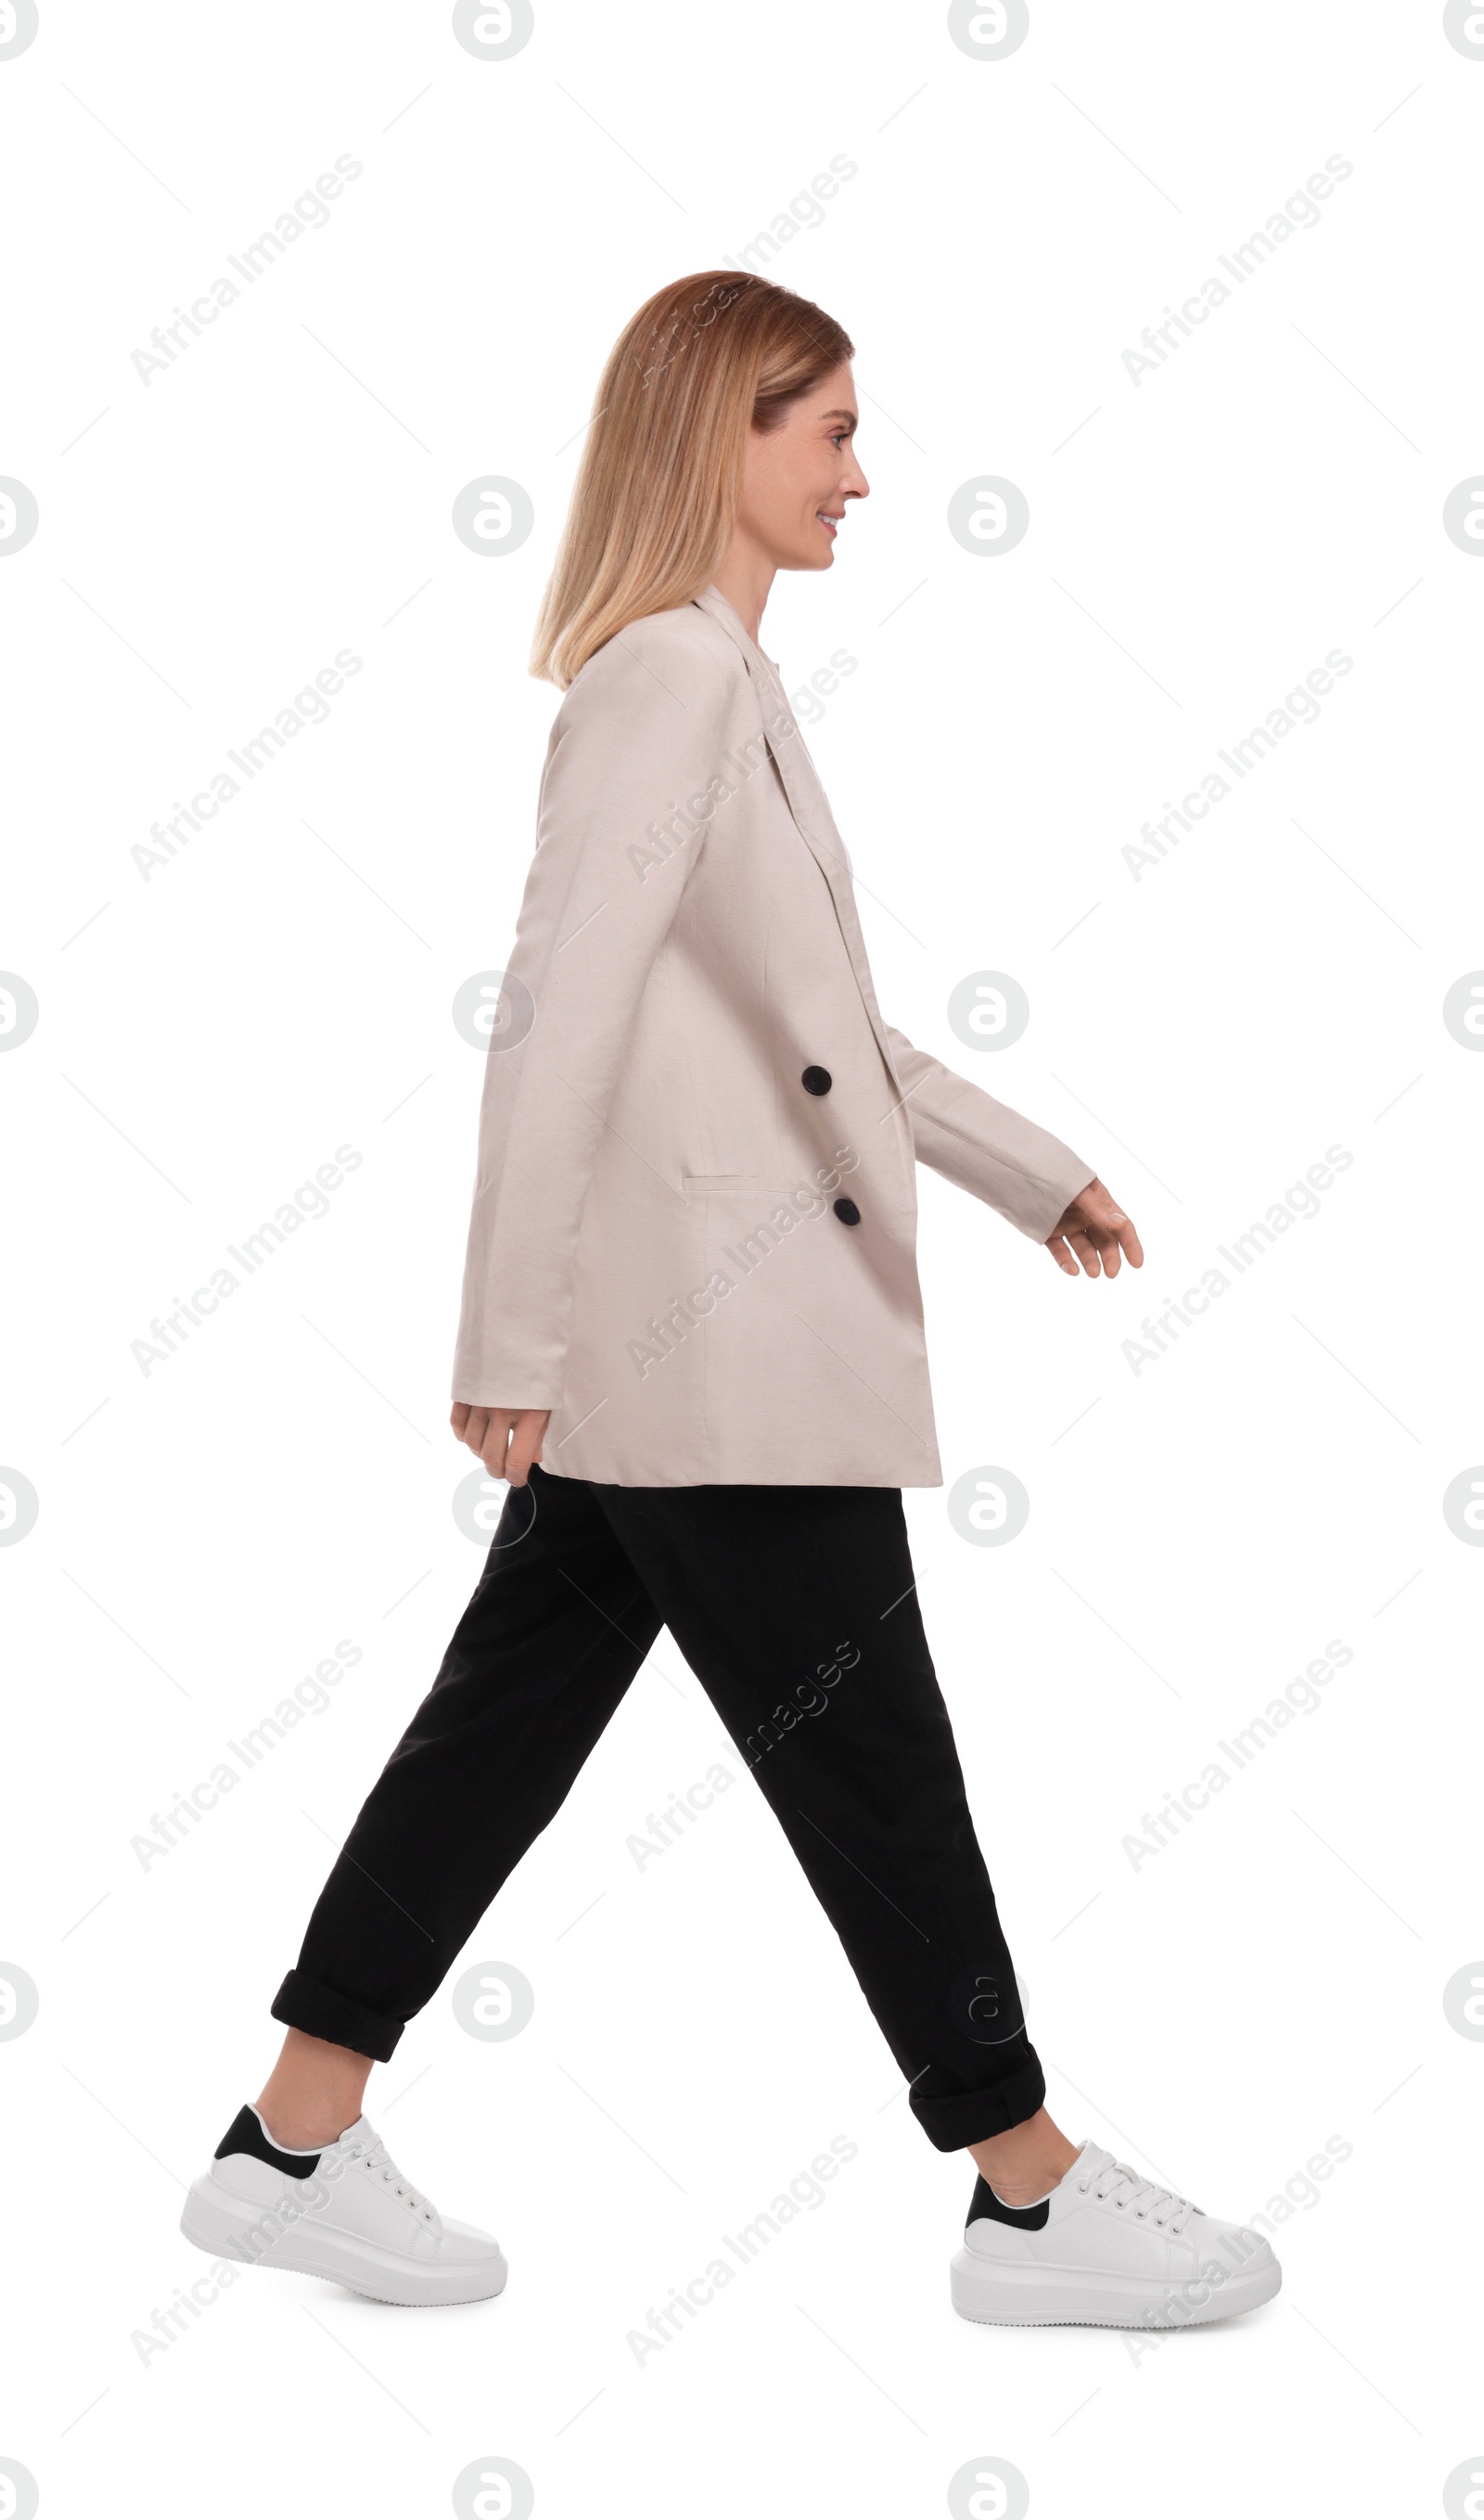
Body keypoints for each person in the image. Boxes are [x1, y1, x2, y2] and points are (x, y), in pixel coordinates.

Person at [181, 272, 1281, 2329]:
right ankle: (1023, 2188)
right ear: (722, 438)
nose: (863, 474)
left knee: (497, 1732)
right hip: (709, 1336)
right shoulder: (665, 684)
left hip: (683, 1343)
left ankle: (289, 2138)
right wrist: (504, 1342)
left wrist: (1026, 1168)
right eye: (828, 431)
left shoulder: (717, 680)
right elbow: (555, 1020)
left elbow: (816, 1027)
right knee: (873, 1757)